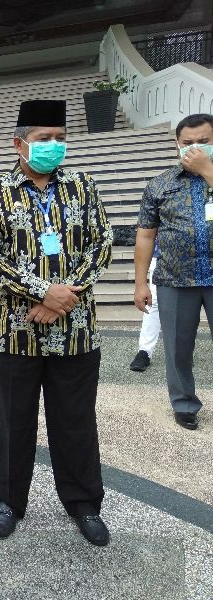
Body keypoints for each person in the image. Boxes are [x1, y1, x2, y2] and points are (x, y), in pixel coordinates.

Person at [0, 100, 113, 546]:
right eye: (44, 138)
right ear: (19, 143)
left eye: (60, 138)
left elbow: (102, 244)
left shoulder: (83, 187)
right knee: (10, 422)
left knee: (75, 421)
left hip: (75, 331)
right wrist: (42, 291)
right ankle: (8, 500)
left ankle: (83, 503)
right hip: (12, 332)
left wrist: (63, 297)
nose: (54, 145)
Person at [134, 113, 213, 430]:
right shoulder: (160, 185)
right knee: (178, 348)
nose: (194, 148)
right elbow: (145, 236)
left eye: (203, 142)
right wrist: (141, 283)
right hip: (174, 279)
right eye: (187, 142)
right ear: (176, 144)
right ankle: (184, 403)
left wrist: (208, 170)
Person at [129, 249, 161, 372]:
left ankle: (183, 351)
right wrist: (140, 284)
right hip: (162, 255)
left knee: (186, 305)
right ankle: (145, 351)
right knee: (154, 303)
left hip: (198, 258)